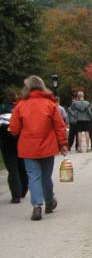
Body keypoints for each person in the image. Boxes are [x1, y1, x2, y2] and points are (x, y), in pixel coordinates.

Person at [9, 75, 68, 221]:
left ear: (27, 87)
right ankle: (49, 201)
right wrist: (63, 144)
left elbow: (14, 129)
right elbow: (59, 126)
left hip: (28, 147)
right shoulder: (50, 104)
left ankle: (37, 206)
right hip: (48, 146)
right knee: (46, 177)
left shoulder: (20, 105)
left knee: (33, 177)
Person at [0, 90, 28, 203]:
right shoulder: (20, 108)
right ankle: (23, 189)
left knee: (12, 168)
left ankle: (16, 194)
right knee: (22, 165)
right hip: (20, 139)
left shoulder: (2, 109)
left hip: (6, 140)